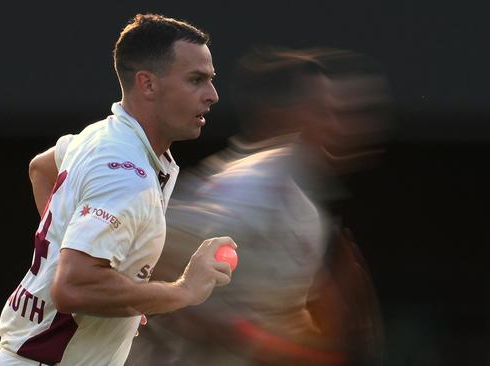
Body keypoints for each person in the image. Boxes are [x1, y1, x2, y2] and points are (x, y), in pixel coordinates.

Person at [0, 13, 236, 366]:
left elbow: (41, 167)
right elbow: (74, 287)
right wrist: (183, 291)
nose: (213, 95)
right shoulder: (125, 173)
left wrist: (117, 287)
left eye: (210, 80)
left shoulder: (103, 136)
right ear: (147, 84)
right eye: (196, 80)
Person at [126, 48, 345, 366]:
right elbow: (149, 251)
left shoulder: (301, 201)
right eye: (321, 109)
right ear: (284, 113)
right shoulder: (252, 187)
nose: (333, 121)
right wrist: (244, 337)